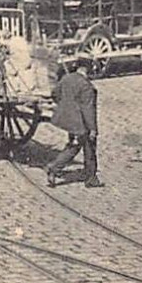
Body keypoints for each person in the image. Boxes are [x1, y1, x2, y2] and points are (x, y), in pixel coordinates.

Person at [46, 56, 102, 188]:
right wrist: (93, 129)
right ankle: (54, 168)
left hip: (68, 120)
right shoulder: (86, 86)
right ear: (87, 69)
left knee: (76, 145)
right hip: (81, 123)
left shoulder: (67, 78)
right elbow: (88, 109)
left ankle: (90, 177)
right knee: (83, 148)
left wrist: (65, 106)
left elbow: (55, 94)